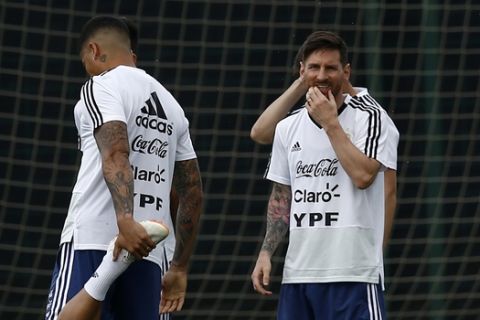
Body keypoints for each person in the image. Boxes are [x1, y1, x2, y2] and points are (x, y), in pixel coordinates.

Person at [45, 15, 203, 320]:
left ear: (93, 50)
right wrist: (180, 266)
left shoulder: (100, 86)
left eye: (85, 61)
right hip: (151, 250)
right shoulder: (172, 106)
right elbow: (191, 192)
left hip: (94, 239)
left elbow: (116, 152)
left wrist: (126, 221)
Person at [251, 31, 399, 319]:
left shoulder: (370, 116)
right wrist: (266, 251)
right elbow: (282, 196)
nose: (322, 75)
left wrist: (330, 123)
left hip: (352, 273)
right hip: (299, 274)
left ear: (346, 72)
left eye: (330, 68)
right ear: (302, 71)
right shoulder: (289, 126)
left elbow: (363, 176)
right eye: (314, 68)